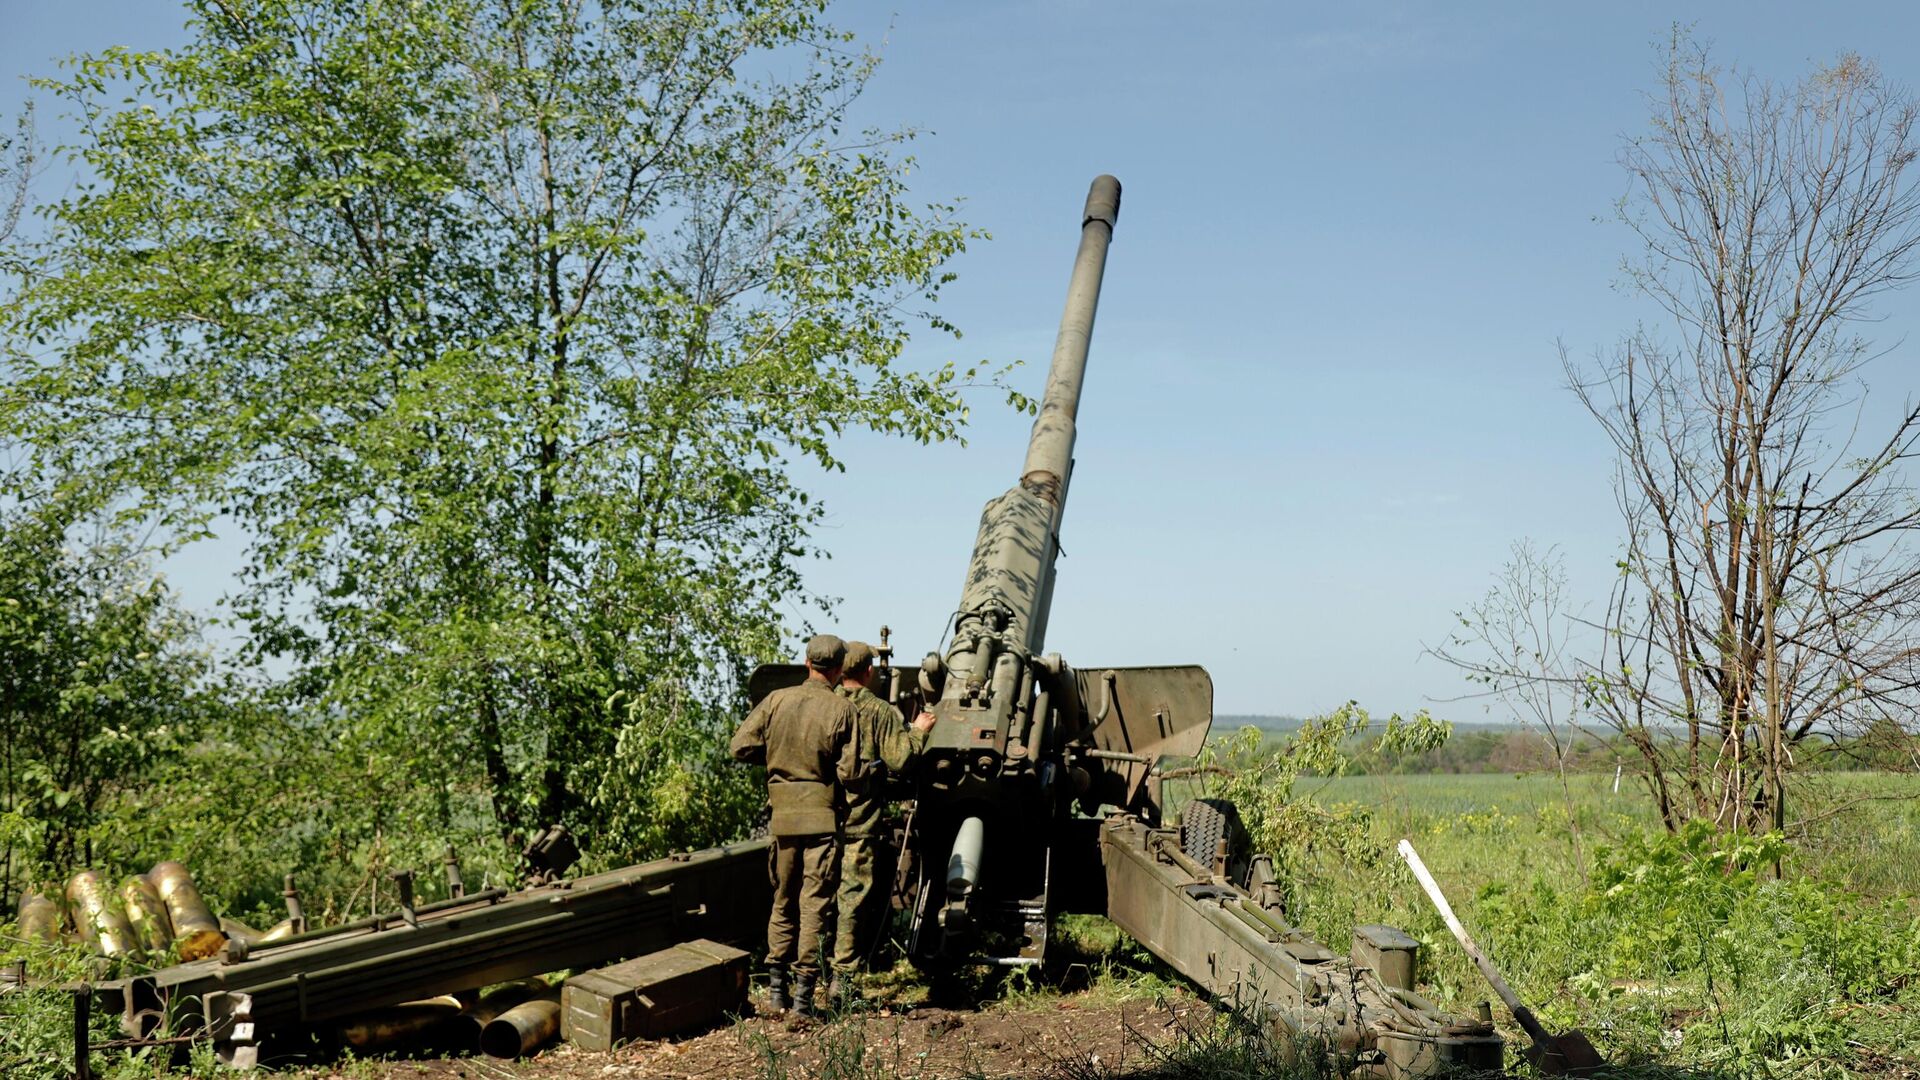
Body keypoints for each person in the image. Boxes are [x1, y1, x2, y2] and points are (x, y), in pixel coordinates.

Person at [731, 633, 861, 1018]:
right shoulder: (842, 709)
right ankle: (803, 1002)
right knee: (814, 904)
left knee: (783, 900)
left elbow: (740, 746)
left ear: (807, 663)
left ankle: (775, 995)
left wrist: (777, 765)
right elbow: (851, 772)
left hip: (782, 818)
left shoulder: (775, 701)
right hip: (821, 819)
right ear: (838, 670)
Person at [828, 640, 936, 1006]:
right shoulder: (880, 712)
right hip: (860, 819)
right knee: (853, 895)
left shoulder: (826, 705)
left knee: (813, 894)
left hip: (822, 815)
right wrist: (919, 729)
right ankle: (843, 981)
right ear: (869, 672)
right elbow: (902, 761)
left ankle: (803, 978)